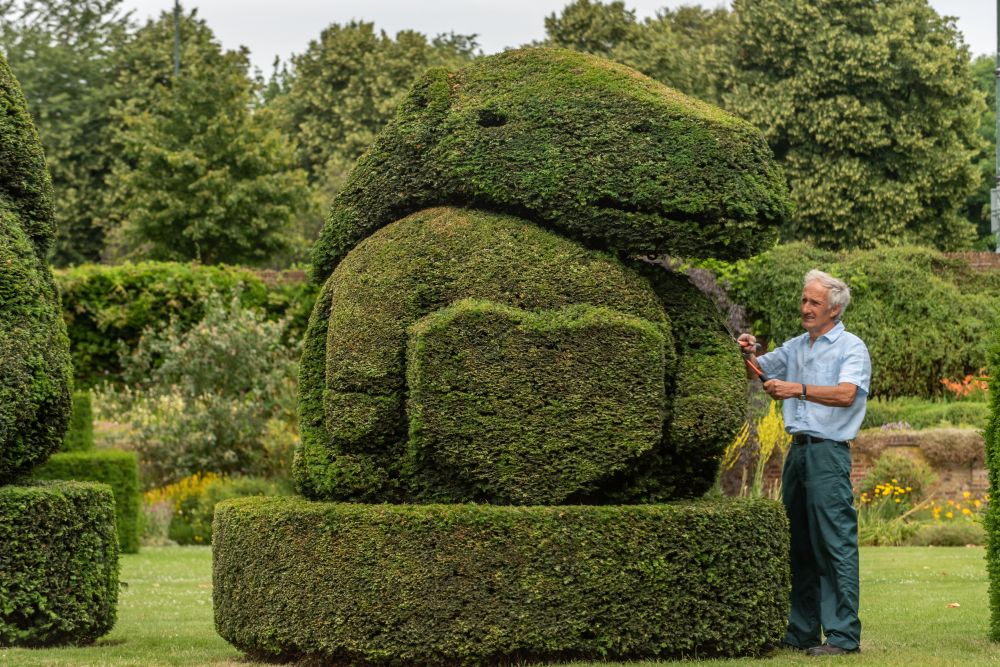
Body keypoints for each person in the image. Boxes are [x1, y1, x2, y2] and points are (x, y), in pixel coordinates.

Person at [738, 269, 871, 657]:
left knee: (834, 544)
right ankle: (802, 631)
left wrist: (797, 388)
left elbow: (847, 394)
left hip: (829, 453)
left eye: (814, 302)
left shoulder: (851, 347)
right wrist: (747, 353)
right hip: (798, 453)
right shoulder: (798, 346)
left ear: (834, 308)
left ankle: (844, 637)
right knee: (799, 544)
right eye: (804, 300)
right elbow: (759, 371)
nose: (805, 308)